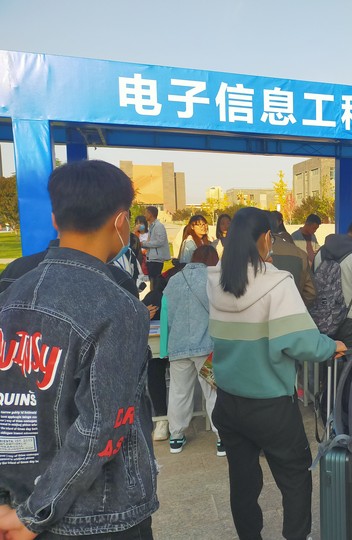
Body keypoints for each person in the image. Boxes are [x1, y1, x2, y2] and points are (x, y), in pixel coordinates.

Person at [0, 160, 158, 539]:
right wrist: (34, 514)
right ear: (121, 222)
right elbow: (103, 426)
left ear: (56, 219)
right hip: (99, 517)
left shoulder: (11, 294)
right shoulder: (119, 307)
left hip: (18, 505)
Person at [207, 208, 345, 540]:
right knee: (295, 476)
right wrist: (331, 346)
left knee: (242, 482)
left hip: (228, 402)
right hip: (270, 405)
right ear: (267, 237)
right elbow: (302, 342)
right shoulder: (276, 283)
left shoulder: (214, 280)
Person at [161, 245, 223, 456]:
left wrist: (166, 347)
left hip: (178, 347)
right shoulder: (213, 279)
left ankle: (176, 437)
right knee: (213, 391)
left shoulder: (173, 280)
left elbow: (166, 316)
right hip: (207, 347)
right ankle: (222, 438)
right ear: (212, 259)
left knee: (179, 392)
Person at [314, 219, 352, 349]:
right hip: (351, 318)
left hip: (323, 316)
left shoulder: (320, 252)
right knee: (350, 357)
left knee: (326, 355)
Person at [267, 211, 316, 306]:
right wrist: (296, 304)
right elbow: (311, 292)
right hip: (292, 307)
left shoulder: (251, 254)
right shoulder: (300, 253)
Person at [144, 205, 171, 290]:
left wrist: (145, 244)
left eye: (146, 213)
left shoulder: (159, 226)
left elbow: (160, 241)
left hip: (156, 258)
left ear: (150, 214)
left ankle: (155, 295)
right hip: (151, 258)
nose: (144, 215)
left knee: (155, 281)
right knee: (152, 280)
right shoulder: (151, 226)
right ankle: (152, 293)